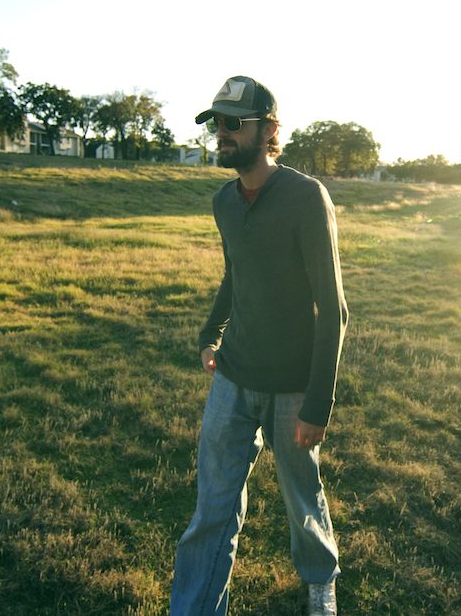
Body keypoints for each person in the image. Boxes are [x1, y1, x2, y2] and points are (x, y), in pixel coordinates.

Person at [170, 76, 348, 616]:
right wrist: (209, 335)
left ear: (268, 130)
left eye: (232, 124)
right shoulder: (223, 200)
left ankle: (320, 579)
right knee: (212, 509)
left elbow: (333, 307)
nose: (220, 134)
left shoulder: (304, 196)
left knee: (301, 497)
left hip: (293, 385)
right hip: (233, 376)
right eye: (215, 124)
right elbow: (235, 277)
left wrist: (317, 404)